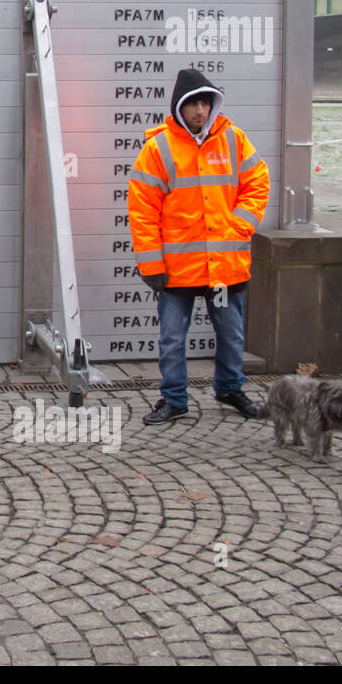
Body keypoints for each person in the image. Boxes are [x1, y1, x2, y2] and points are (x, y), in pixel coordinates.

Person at [127, 68, 270, 424]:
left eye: (206, 103)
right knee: (173, 338)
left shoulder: (234, 140)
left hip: (223, 269)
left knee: (231, 334)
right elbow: (142, 211)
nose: (201, 111)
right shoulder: (158, 148)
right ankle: (174, 399)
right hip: (177, 270)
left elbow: (258, 184)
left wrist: (237, 227)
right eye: (194, 105)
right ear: (180, 106)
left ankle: (230, 388)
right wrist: (151, 266)